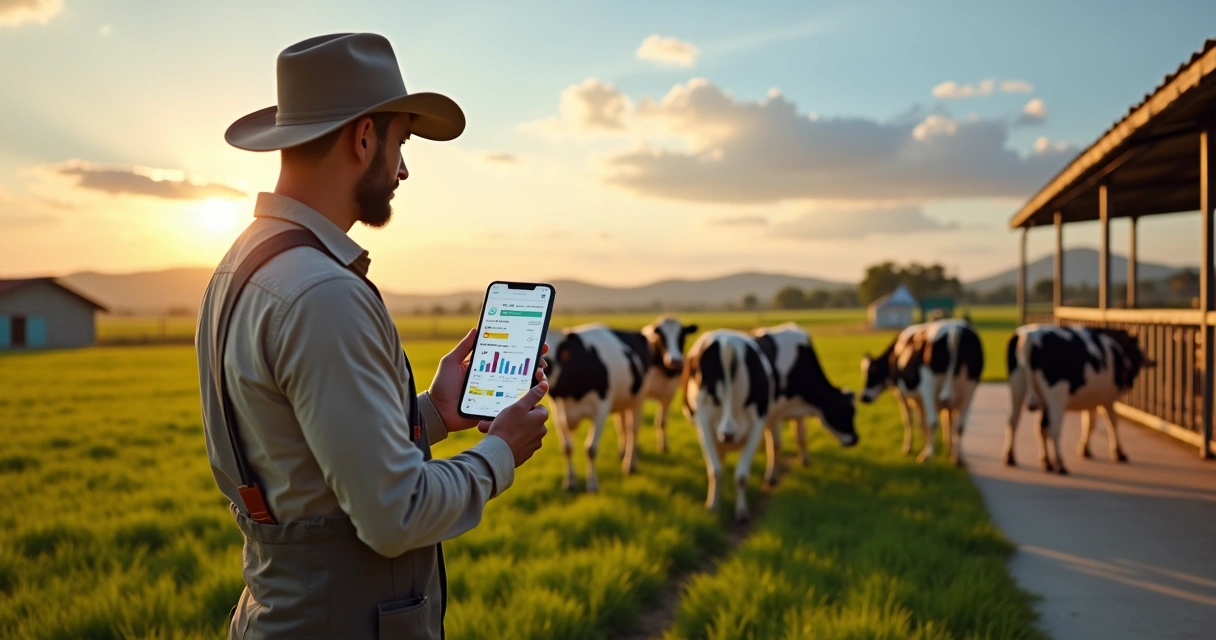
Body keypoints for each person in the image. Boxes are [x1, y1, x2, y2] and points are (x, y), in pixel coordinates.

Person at [194, 32, 550, 639]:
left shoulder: (243, 264)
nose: (404, 168)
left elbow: (306, 463)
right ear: (364, 138)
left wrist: (433, 413)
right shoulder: (323, 293)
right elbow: (395, 512)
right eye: (402, 142)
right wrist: (500, 454)